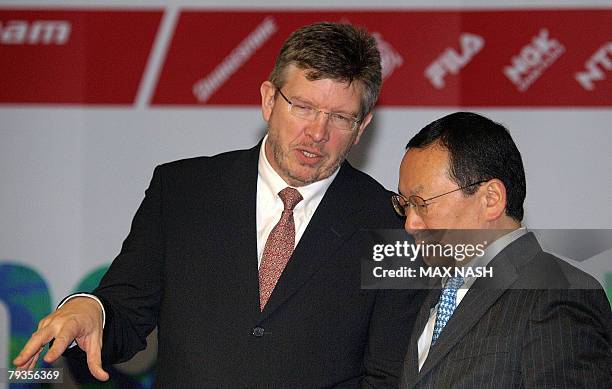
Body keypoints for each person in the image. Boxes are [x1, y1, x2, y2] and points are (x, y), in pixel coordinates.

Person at [13, 22, 423, 387]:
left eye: (340, 117)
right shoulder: (182, 191)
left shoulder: (390, 222)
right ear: (268, 100)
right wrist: (91, 310)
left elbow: (387, 375)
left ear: (362, 127)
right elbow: (126, 312)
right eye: (303, 107)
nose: (317, 132)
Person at [392, 111, 612, 388]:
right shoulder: (438, 292)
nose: (410, 223)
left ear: (491, 199)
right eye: (404, 204)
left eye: (421, 202)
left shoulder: (557, 293)